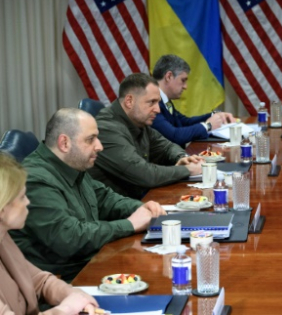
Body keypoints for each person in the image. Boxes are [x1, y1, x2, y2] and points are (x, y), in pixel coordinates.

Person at [9, 109, 165, 282]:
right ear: (64, 143)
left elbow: (106, 198)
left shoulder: (71, 164)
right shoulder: (36, 179)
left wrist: (141, 208)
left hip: (90, 263)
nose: (99, 146)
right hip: (66, 281)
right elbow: (69, 238)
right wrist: (129, 224)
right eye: (90, 139)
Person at [0, 153, 102, 314]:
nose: (28, 201)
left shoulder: (3, 237)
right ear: (2, 207)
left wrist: (73, 294)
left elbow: (39, 280)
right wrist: (67, 308)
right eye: (21, 197)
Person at [89, 73, 203, 199]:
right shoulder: (106, 129)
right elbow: (145, 175)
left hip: (138, 200)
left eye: (158, 103)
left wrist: (182, 158)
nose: (158, 110)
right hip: (116, 211)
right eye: (152, 102)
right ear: (129, 101)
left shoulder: (139, 122)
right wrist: (188, 169)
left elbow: (167, 147)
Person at [151, 54, 235, 147]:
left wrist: (215, 115)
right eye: (183, 80)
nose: (185, 87)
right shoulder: (152, 103)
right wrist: (208, 126)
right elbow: (174, 135)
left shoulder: (164, 100)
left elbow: (184, 122)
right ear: (169, 76)